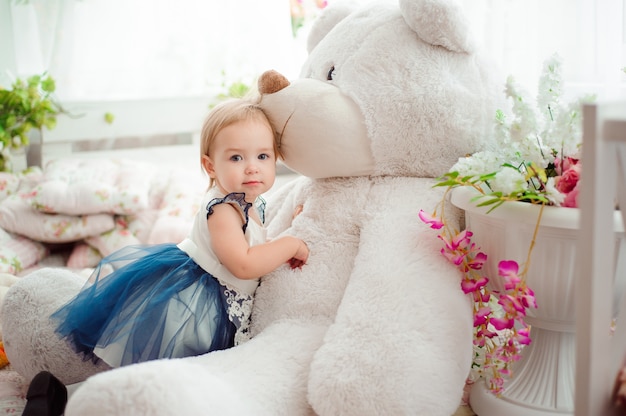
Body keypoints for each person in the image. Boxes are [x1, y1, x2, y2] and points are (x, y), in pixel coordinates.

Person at [22, 97, 309, 416]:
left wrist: (291, 224)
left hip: (213, 295)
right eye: (237, 157)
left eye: (263, 155)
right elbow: (243, 264)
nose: (252, 166)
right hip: (200, 304)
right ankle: (66, 402)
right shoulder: (224, 210)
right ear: (210, 166)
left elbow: (260, 237)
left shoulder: (253, 201)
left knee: (174, 379)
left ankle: (71, 398)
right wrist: (291, 244)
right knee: (173, 373)